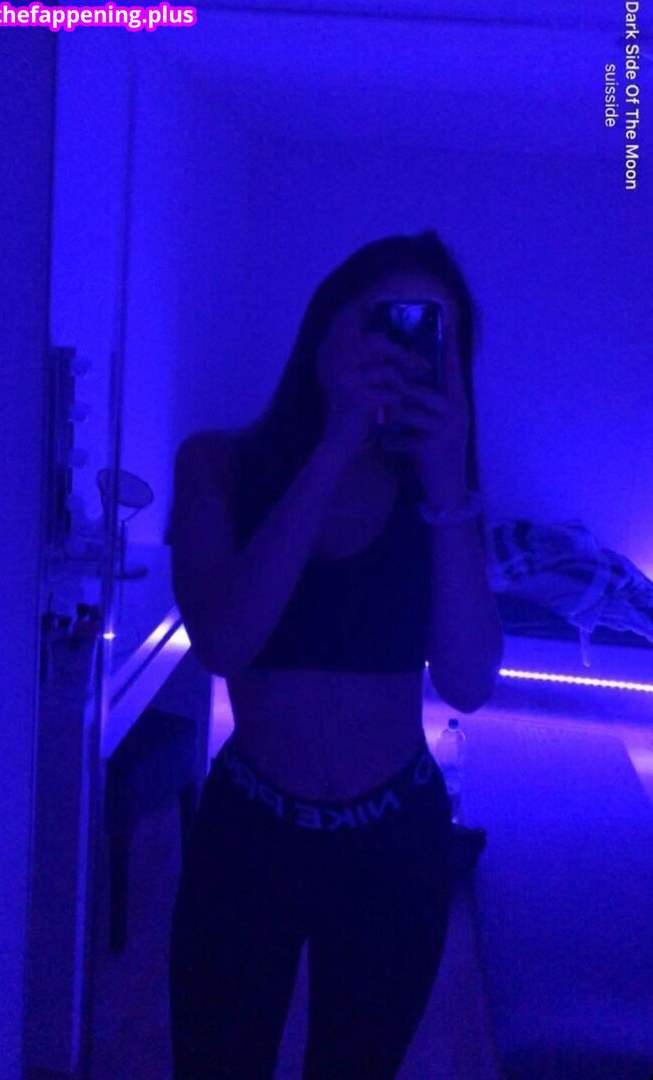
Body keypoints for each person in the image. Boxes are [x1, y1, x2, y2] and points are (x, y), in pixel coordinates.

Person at [166, 230, 504, 1078]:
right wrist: (333, 445)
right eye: (384, 321)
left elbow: (467, 681)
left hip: (395, 840)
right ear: (326, 331)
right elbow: (224, 640)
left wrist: (447, 484)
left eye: (430, 334)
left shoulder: (442, 497)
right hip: (248, 833)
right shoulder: (218, 464)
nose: (403, 350)